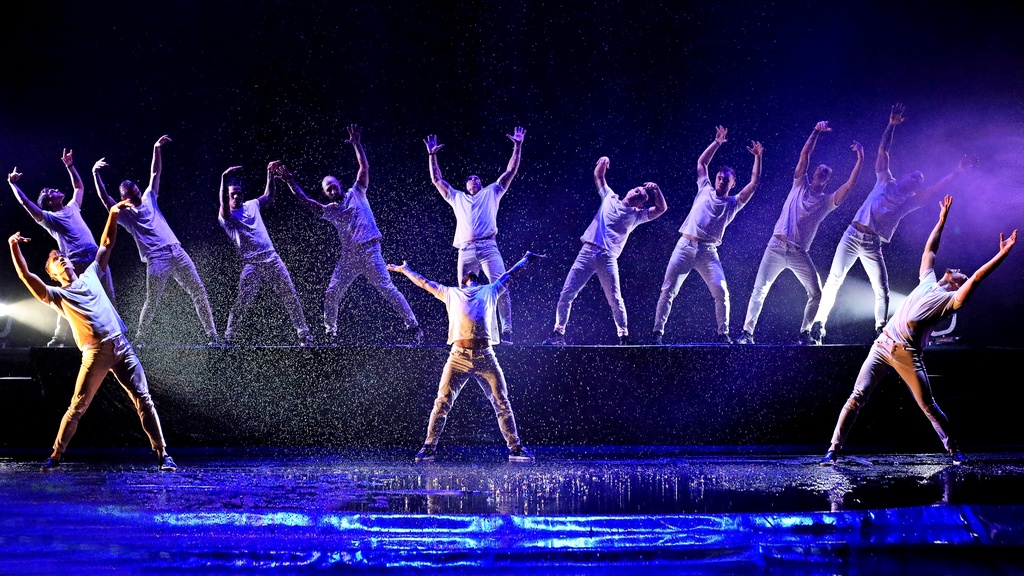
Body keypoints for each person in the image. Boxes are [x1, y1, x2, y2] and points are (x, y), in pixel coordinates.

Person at [820, 195, 1016, 466]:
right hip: (882, 346)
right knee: (857, 396)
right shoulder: (928, 281)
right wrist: (942, 220)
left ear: (958, 285)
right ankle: (833, 449)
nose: (960, 270)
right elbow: (930, 251)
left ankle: (954, 450)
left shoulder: (951, 301)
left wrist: (1002, 254)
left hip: (907, 354)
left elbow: (976, 278)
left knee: (928, 405)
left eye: (962, 274)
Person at [8, 201, 177, 472]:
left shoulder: (91, 276)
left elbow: (106, 244)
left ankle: (162, 454)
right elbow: (26, 276)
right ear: (53, 274)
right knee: (78, 407)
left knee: (143, 399)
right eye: (57, 260)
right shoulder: (57, 295)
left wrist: (112, 214)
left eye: (63, 256)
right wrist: (14, 246)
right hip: (95, 353)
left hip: (122, 346)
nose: (63, 259)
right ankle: (55, 455)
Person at [810, 105, 976, 343]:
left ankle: (881, 328)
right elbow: (883, 151)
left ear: (916, 188)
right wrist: (891, 125)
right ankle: (819, 323)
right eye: (914, 175)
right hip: (852, 235)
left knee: (881, 288)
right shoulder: (885, 180)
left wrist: (957, 172)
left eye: (918, 181)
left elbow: (935, 188)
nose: (915, 180)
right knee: (834, 279)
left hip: (872, 243)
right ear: (906, 176)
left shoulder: (909, 202)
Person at [387, 251, 546, 463]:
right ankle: (429, 446)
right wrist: (405, 270)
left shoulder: (490, 290)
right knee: (442, 402)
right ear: (463, 283)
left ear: (476, 282)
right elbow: (424, 283)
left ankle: (515, 448)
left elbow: (510, 275)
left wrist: (526, 259)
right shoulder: (452, 293)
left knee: (502, 402)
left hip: (485, 356)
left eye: (473, 277)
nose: (470, 277)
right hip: (458, 357)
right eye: (467, 278)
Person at [277, 124, 421, 344]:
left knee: (387, 288)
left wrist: (357, 144)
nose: (332, 190)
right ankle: (330, 333)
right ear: (326, 194)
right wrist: (290, 181)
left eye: (333, 186)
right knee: (332, 291)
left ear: (339, 184)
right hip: (349, 257)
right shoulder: (330, 211)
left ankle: (414, 327)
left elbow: (364, 166)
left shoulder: (358, 192)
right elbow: (305, 201)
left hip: (371, 251)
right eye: (328, 189)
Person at [736, 122, 864, 345]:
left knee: (816, 293)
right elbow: (805, 154)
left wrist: (860, 159)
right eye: (820, 170)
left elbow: (850, 185)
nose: (821, 172)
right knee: (759, 290)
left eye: (826, 173)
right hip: (775, 247)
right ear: (814, 173)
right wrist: (816, 131)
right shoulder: (799, 184)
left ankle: (805, 332)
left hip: (798, 253)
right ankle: (747, 333)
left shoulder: (827, 202)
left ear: (827, 179)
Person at [95, 135, 219, 346]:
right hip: (156, 258)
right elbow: (106, 199)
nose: (137, 195)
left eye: (136, 191)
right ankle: (140, 339)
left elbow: (155, 173)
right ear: (124, 198)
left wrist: (156, 148)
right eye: (132, 195)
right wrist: (95, 173)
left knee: (198, 290)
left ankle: (212, 337)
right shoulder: (125, 215)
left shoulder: (149, 197)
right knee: (152, 300)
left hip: (176, 250)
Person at [652, 126, 763, 344]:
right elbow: (702, 163)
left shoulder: (733, 203)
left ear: (733, 183)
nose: (721, 180)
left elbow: (754, 183)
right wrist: (717, 143)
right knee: (668, 290)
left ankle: (723, 335)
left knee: (721, 292)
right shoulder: (704, 188)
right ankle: (657, 333)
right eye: (719, 177)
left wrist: (758, 157)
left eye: (725, 179)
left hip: (708, 252)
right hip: (685, 246)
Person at [543, 157, 667, 345]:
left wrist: (656, 190)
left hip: (608, 258)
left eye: (641, 195)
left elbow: (661, 208)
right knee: (567, 293)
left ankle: (624, 336)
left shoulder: (637, 215)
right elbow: (599, 176)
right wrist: (603, 161)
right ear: (629, 190)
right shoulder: (610, 197)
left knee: (615, 298)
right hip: (587, 251)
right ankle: (558, 333)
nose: (636, 193)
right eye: (636, 189)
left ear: (641, 204)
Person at [424, 127, 525, 344]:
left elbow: (510, 171)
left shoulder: (492, 192)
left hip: (489, 248)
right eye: (469, 178)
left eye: (476, 178)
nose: (473, 180)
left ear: (481, 183)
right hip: (466, 250)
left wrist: (517, 145)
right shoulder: (457, 197)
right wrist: (432, 155)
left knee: (501, 285)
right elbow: (437, 180)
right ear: (466, 185)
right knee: (463, 294)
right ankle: (465, 333)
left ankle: (506, 331)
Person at [7, 150, 115, 346]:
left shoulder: (73, 207)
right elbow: (25, 203)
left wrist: (70, 166)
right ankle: (58, 338)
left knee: (108, 294)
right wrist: (13, 184)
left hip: (95, 255)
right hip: (75, 261)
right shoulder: (49, 218)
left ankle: (116, 333)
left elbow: (79, 187)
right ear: (49, 202)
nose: (56, 189)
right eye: (51, 192)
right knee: (68, 295)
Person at [219, 163, 312, 346]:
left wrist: (269, 174)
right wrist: (223, 178)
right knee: (242, 301)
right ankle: (229, 337)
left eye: (239, 193)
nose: (236, 196)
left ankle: (304, 335)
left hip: (272, 259)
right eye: (232, 194)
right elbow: (222, 203)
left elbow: (269, 196)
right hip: (251, 264)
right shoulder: (226, 217)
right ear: (228, 196)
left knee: (290, 295)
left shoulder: (252, 204)